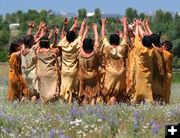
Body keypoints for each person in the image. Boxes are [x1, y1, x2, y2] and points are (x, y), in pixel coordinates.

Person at [100, 17, 128, 104]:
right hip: (121, 72)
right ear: (118, 40)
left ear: (110, 41)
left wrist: (103, 24)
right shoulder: (121, 48)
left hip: (110, 72)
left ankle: (111, 110)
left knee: (111, 93)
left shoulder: (108, 47)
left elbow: (103, 36)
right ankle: (119, 109)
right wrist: (124, 23)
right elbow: (126, 37)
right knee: (119, 92)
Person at [58, 17, 84, 103]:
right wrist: (82, 25)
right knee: (72, 89)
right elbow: (80, 35)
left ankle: (63, 104)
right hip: (73, 71)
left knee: (64, 87)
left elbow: (65, 36)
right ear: (74, 37)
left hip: (64, 71)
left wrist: (66, 26)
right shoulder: (75, 44)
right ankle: (70, 105)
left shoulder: (63, 44)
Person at [131, 20, 154, 104]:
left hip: (139, 72)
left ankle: (137, 100)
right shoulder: (151, 50)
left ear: (143, 42)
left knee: (138, 87)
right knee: (147, 87)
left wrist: (137, 25)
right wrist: (143, 26)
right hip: (148, 73)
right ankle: (149, 101)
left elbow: (136, 35)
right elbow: (151, 38)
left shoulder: (139, 47)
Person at [78, 23, 100, 104]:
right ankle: (92, 109)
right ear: (92, 44)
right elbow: (97, 40)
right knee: (93, 94)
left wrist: (85, 30)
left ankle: (85, 111)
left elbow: (81, 42)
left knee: (85, 94)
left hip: (83, 75)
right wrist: (95, 29)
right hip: (93, 75)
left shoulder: (80, 51)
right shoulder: (94, 52)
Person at [36, 36, 61, 103]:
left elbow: (37, 45)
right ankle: (51, 103)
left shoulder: (38, 52)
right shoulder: (53, 52)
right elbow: (59, 49)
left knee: (43, 91)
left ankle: (44, 103)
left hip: (41, 73)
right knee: (52, 90)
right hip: (51, 73)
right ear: (48, 43)